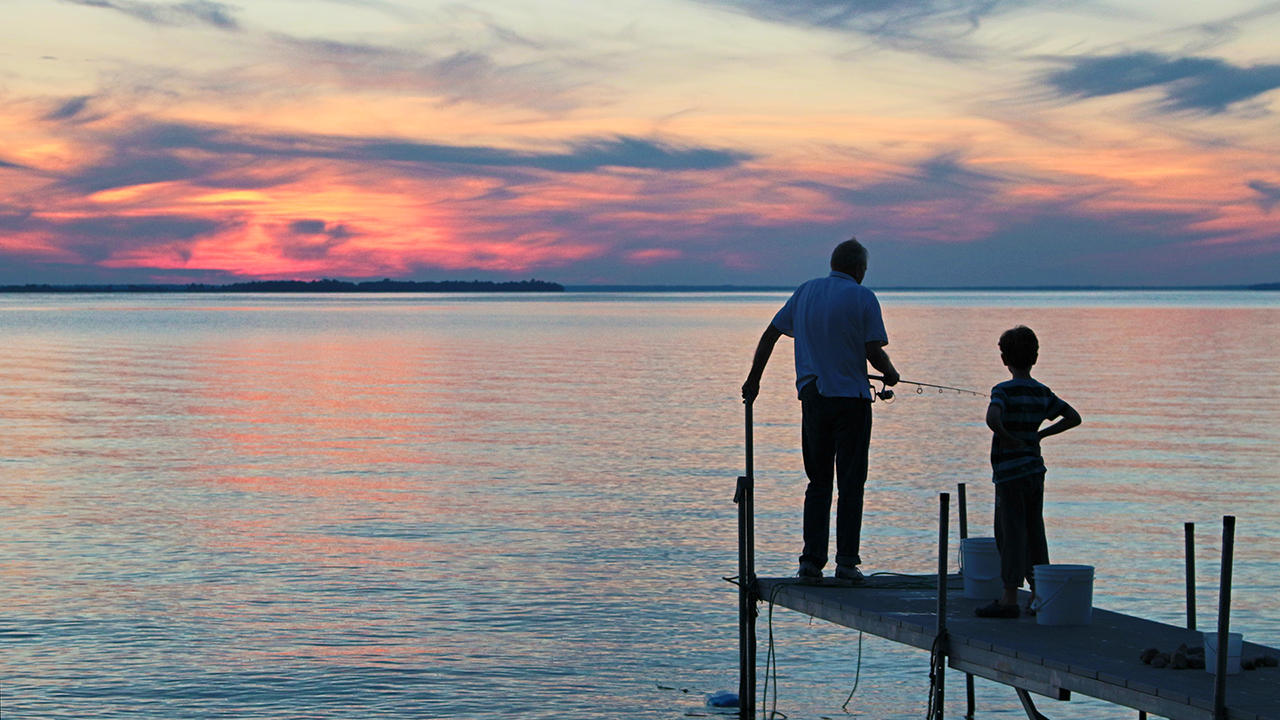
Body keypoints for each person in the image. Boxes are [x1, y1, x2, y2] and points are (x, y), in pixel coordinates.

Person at [741, 238, 899, 584]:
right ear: (859, 269)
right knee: (851, 482)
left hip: (813, 398)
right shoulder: (863, 297)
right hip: (851, 401)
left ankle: (811, 562)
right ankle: (846, 563)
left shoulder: (805, 292)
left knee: (819, 482)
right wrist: (889, 372)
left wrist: (754, 380)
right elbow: (873, 349)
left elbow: (770, 334)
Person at [975, 325, 1082, 619]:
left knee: (1010, 533)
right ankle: (1038, 593)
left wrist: (1006, 435)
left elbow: (992, 416)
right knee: (1035, 531)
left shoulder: (1003, 390)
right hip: (1036, 471)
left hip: (1009, 476)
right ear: (1034, 358)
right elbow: (1073, 417)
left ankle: (1010, 597)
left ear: (1004, 359)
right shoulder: (1042, 392)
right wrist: (1042, 435)